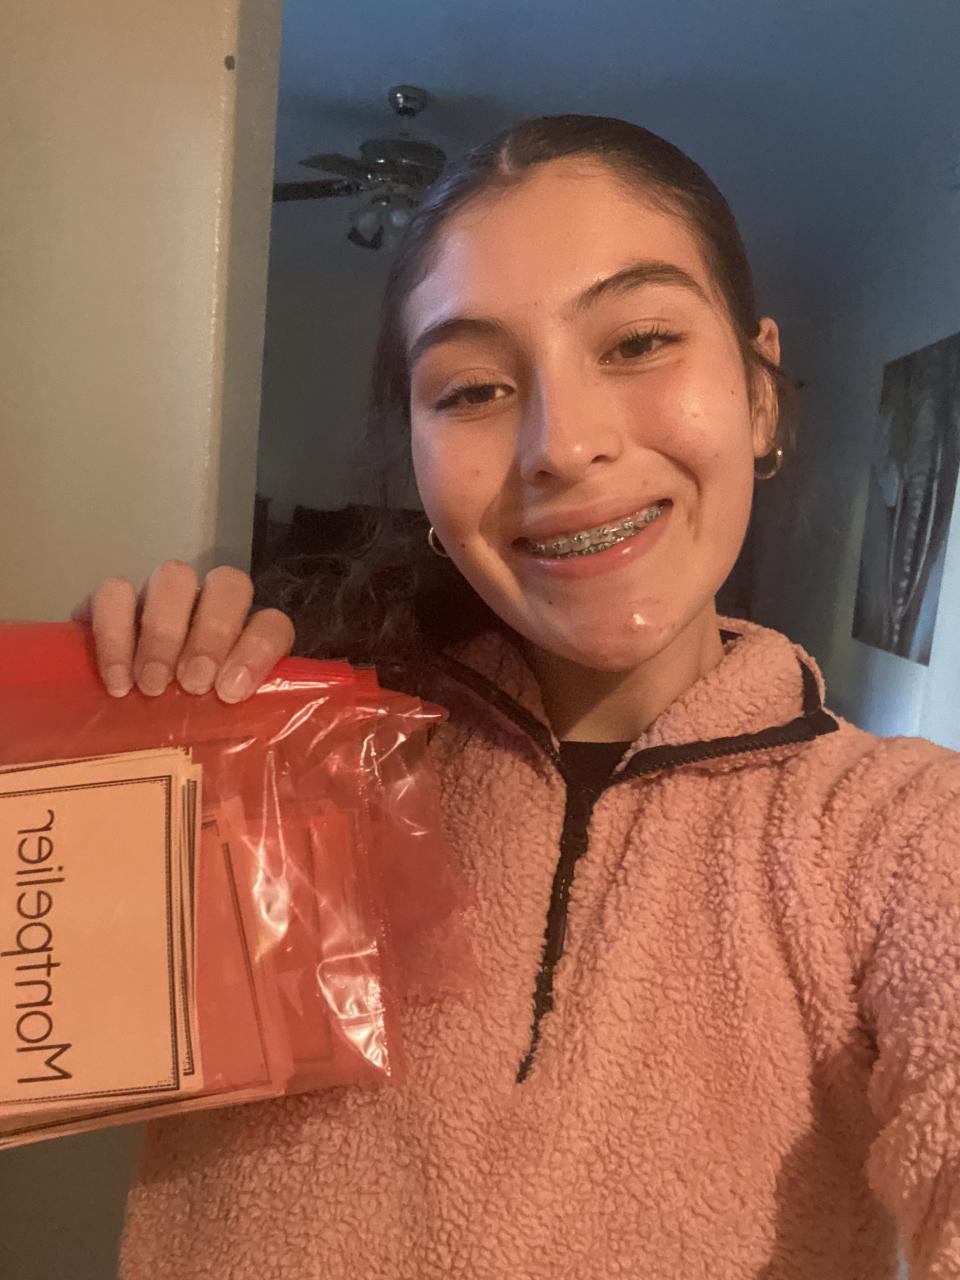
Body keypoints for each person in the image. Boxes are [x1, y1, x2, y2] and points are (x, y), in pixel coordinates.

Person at [76, 117, 960, 1279]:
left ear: (758, 392)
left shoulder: (901, 835)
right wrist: (99, 768)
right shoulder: (296, 774)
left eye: (638, 340)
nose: (563, 444)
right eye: (475, 388)